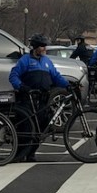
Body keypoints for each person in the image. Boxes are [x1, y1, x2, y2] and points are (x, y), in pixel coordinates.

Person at [9, 33, 70, 162]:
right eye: (42, 46)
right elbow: (13, 76)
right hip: (27, 98)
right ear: (36, 47)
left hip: (43, 99)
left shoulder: (47, 61)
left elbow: (56, 77)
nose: (45, 49)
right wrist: (21, 86)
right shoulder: (25, 60)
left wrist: (68, 85)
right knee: (26, 127)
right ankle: (19, 154)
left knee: (41, 126)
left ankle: (31, 153)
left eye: (45, 46)